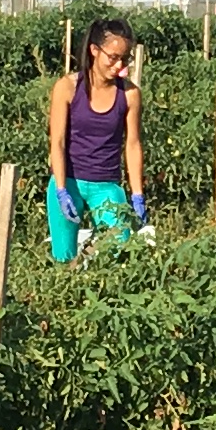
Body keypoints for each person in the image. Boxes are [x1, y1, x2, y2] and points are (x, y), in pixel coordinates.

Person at [45, 16, 149, 261]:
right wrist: (61, 189)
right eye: (113, 57)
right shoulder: (67, 87)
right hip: (69, 181)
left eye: (125, 58)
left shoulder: (130, 94)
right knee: (63, 257)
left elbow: (133, 144)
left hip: (106, 185)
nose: (119, 65)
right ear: (94, 50)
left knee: (117, 250)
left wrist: (137, 194)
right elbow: (57, 142)